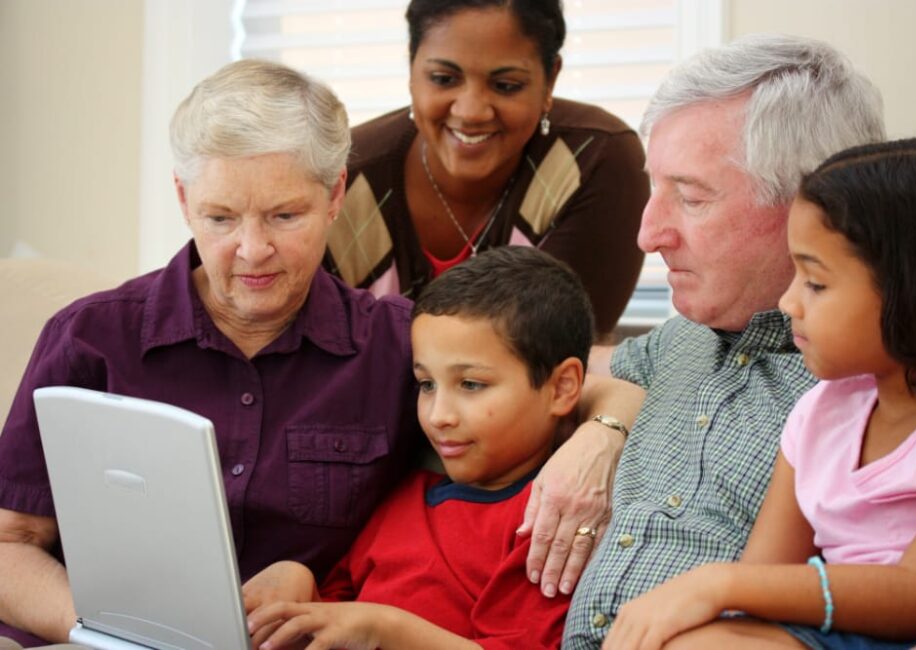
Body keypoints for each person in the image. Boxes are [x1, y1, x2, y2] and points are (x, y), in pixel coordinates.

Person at [0, 60, 639, 647]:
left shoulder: (398, 342)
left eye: (284, 216)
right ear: (183, 200)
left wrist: (603, 433)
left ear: (335, 196)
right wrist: (108, 634)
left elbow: (605, 375)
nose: (252, 250)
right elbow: (12, 545)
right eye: (221, 218)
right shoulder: (89, 337)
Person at [563, 34, 887, 648]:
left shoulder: (880, 388)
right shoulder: (678, 339)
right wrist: (601, 428)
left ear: (812, 202)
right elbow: (569, 375)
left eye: (689, 196)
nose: (647, 234)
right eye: (655, 188)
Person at [602, 134, 916, 649]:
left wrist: (716, 582)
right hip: (834, 634)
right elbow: (765, 579)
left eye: (815, 283)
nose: (787, 301)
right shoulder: (819, 414)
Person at [245, 246, 639, 650]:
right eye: (426, 384)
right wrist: (299, 581)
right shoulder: (404, 496)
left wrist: (385, 629)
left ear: (562, 388)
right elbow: (335, 620)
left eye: (471, 384)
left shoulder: (547, 521)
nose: (438, 415)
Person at [323, 0, 648, 339]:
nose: (471, 111)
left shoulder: (592, 161)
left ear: (550, 80)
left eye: (506, 85)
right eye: (444, 79)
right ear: (411, 68)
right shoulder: (339, 178)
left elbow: (551, 355)